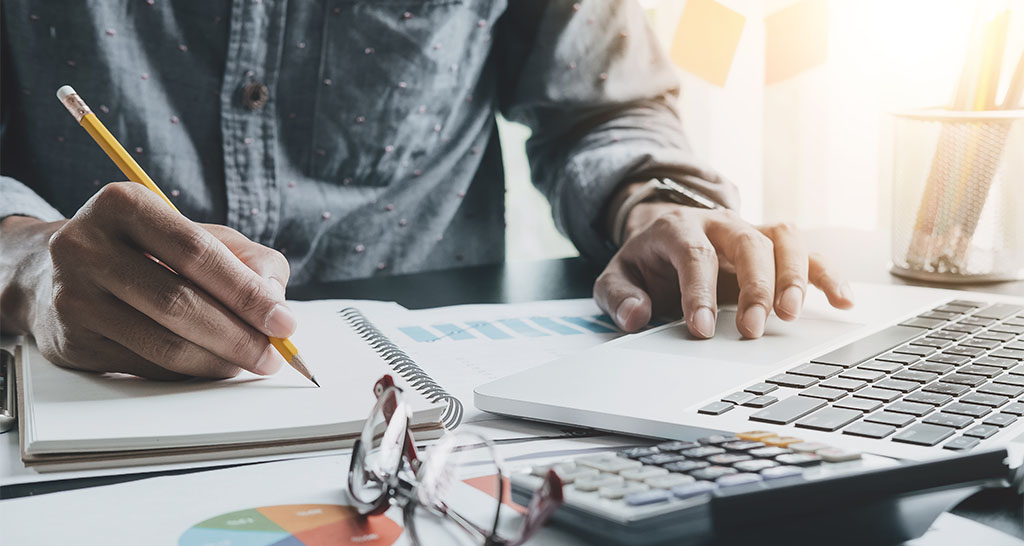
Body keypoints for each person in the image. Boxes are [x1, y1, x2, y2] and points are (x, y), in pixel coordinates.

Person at [0, 1, 852, 380]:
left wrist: (657, 200)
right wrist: (26, 261)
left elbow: (603, 104)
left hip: (443, 412)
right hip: (71, 379)